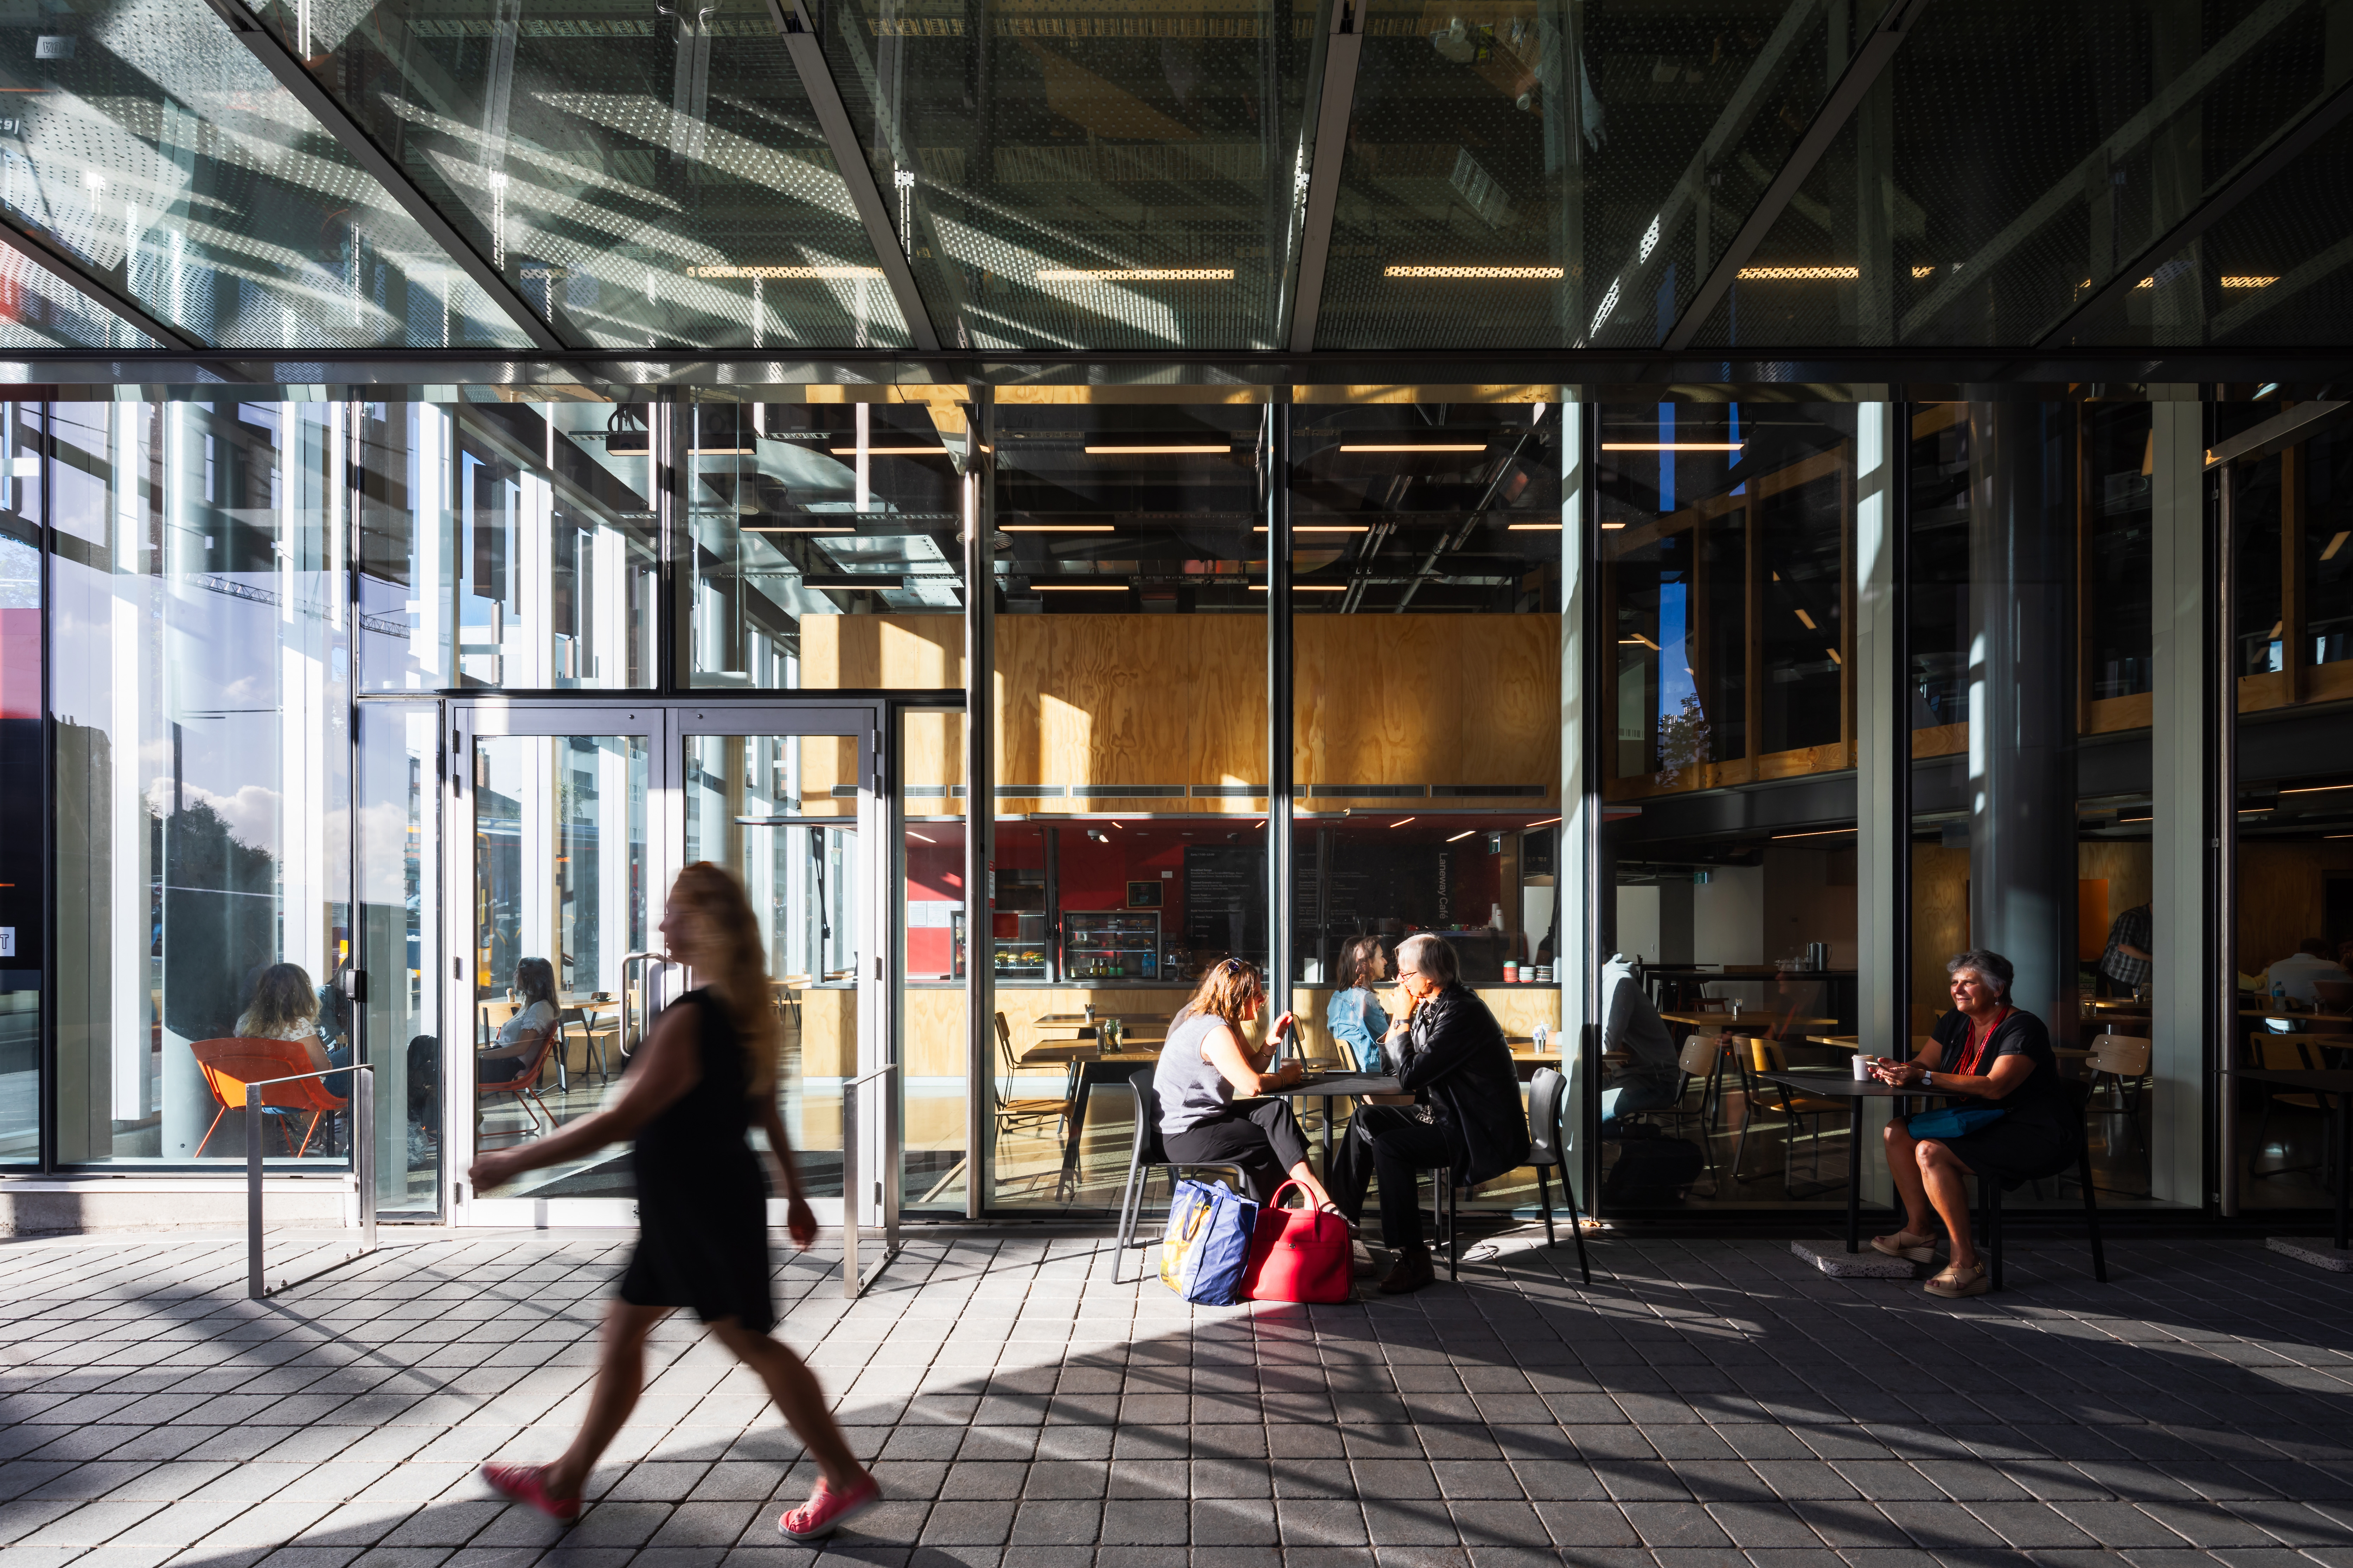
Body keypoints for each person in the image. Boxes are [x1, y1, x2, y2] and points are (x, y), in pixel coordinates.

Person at [472, 862, 880, 1542]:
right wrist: (795, 1193)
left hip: (698, 1211)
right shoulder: (737, 1009)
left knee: (748, 1341)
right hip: (696, 1204)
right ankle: (566, 1481)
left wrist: (513, 1160)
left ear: (704, 924)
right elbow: (765, 1111)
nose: (661, 925)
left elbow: (617, 1121)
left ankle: (844, 1476)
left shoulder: (693, 1018)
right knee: (628, 1331)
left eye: (674, 913)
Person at [1866, 949, 2078, 1299]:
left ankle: (1966, 1263)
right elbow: (1925, 1063)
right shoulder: (1954, 1020)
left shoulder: (2022, 1027)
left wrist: (1925, 1077)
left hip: (2033, 1131)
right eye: (1954, 982)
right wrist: (1899, 1068)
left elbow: (1996, 1087)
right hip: (1977, 1121)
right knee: (1897, 1131)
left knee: (1930, 1151)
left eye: (1969, 982)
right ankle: (1919, 1231)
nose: (1957, 989)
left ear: (1997, 989)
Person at [1329, 933, 1529, 1295]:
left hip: (1474, 1129)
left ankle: (1413, 1257)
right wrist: (1400, 1020)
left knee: (1391, 1146)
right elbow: (1397, 1065)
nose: (1398, 981)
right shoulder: (1433, 1004)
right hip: (1445, 1114)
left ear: (1430, 977)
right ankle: (1342, 1225)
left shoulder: (1462, 1012)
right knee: (1365, 1120)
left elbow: (1410, 1076)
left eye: (1405, 974)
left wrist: (1402, 1016)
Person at [1156, 958, 1337, 1209]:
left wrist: (1270, 1043)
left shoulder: (1224, 1021)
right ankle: (1281, 1211)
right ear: (1236, 996)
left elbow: (1251, 1068)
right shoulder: (1214, 1030)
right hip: (1184, 1135)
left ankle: (1300, 1203)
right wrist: (1285, 1078)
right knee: (1274, 1142)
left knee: (1276, 1111)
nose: (1262, 1000)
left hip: (1204, 1120)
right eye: (1256, 995)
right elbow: (1252, 1086)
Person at [1599, 952, 1680, 1130]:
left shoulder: (1619, 981)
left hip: (1655, 1083)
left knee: (1575, 1114)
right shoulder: (1605, 983)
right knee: (1563, 1100)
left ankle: (1643, 1138)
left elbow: (1605, 1044)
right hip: (1628, 1075)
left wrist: (1555, 1038)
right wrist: (1615, 1038)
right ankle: (1637, 1137)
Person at [478, 957, 559, 1084]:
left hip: (502, 1066)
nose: (514, 975)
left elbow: (520, 1049)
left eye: (518, 971)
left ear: (529, 978)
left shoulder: (540, 1008)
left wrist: (481, 1056)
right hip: (500, 1062)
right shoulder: (532, 1007)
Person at [1326, 937, 1392, 1073]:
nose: (1385, 961)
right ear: (1365, 964)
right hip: (1375, 1075)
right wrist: (1402, 1012)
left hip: (1359, 1074)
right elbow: (1392, 1042)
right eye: (1381, 957)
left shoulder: (1339, 994)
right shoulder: (1364, 999)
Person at [2264, 937, 2349, 1007]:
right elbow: (2349, 991)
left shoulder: (2275, 966)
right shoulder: (2331, 966)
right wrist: (2344, 966)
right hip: (2313, 1023)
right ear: (2325, 954)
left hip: (2275, 1022)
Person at [2098, 900, 2153, 998]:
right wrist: (2153, 959)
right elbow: (2124, 947)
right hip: (2123, 974)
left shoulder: (2158, 920)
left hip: (2143, 977)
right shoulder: (2132, 917)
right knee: (2126, 1009)